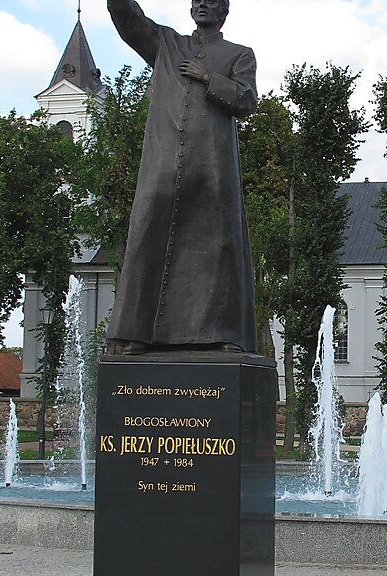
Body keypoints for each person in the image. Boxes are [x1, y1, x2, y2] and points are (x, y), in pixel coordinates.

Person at [106, 0, 258, 354]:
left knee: (218, 246)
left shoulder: (239, 54)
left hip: (213, 165)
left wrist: (208, 79)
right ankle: (138, 333)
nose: (202, 4)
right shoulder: (167, 43)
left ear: (224, 11)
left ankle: (223, 333)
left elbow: (247, 100)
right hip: (163, 161)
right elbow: (128, 19)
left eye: (211, 0)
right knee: (148, 236)